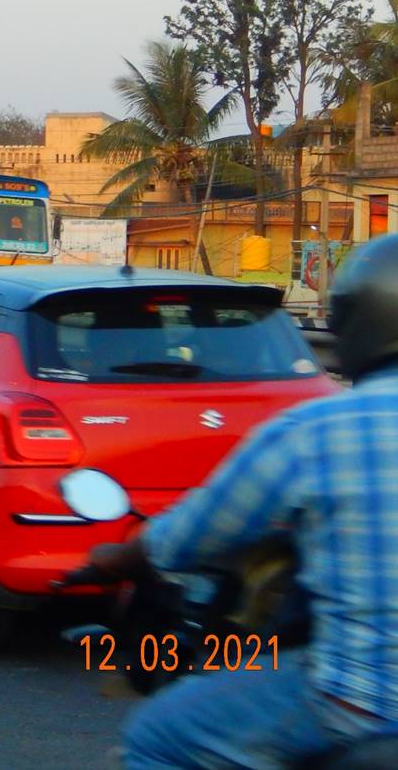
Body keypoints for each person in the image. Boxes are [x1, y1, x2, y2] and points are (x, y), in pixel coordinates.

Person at [95, 233, 398, 768]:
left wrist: (116, 557)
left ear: (359, 322)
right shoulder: (296, 400)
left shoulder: (319, 430)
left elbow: (191, 535)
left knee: (154, 736)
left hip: (363, 699)